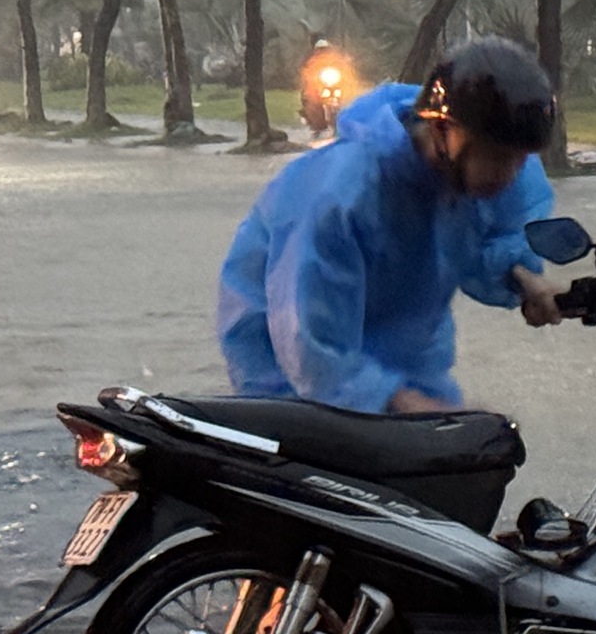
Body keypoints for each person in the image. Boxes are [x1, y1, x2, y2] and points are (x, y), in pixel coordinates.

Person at [217, 37, 563, 416]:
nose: (511, 175)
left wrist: (521, 276)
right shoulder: (344, 196)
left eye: (520, 160)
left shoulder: (487, 169)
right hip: (288, 376)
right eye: (498, 158)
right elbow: (309, 348)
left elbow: (490, 238)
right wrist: (409, 408)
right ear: (442, 129)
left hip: (412, 362)